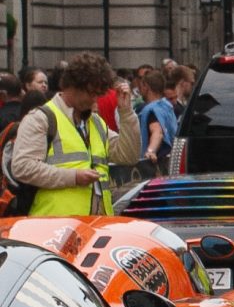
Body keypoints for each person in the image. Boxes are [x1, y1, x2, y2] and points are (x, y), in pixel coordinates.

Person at [7, 52, 140, 214]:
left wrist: (126, 112)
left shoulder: (95, 122)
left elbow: (128, 155)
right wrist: (73, 177)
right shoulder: (41, 118)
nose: (94, 99)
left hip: (97, 223)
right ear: (71, 85)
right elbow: (22, 167)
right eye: (91, 92)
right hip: (55, 224)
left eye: (98, 94)